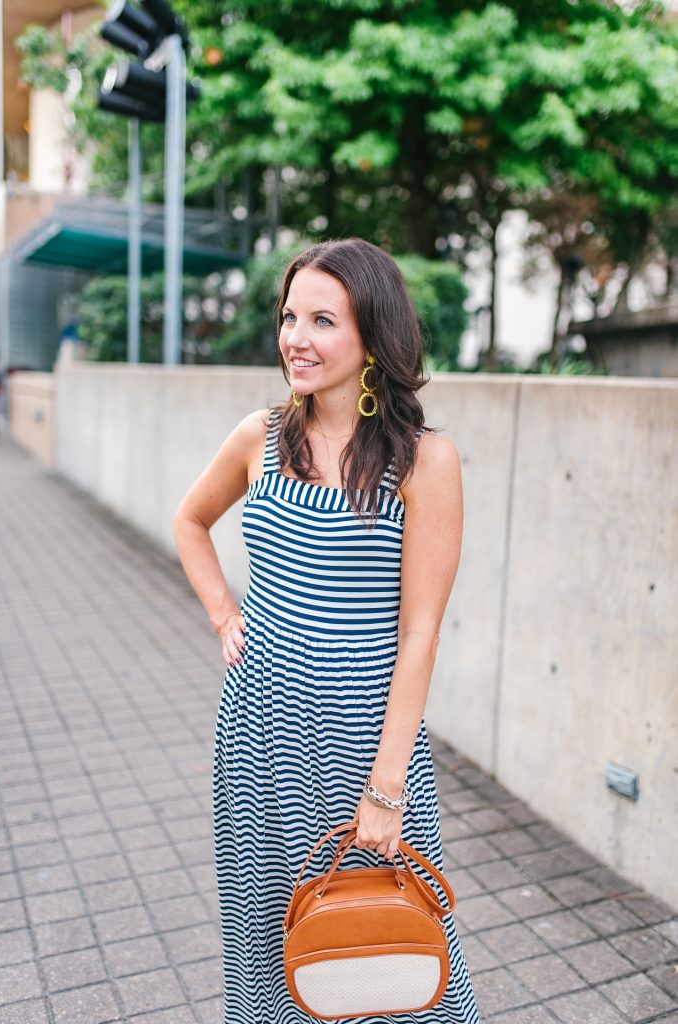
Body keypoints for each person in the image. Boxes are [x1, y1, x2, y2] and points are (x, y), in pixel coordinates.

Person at [172, 237, 481, 1023]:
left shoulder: (423, 462)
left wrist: (386, 791)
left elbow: (420, 638)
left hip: (360, 744)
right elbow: (190, 520)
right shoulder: (260, 437)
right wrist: (223, 614)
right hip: (257, 736)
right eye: (288, 317)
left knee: (387, 943)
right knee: (270, 942)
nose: (295, 338)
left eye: (321, 320)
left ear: (373, 335)